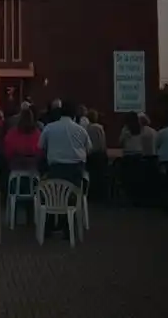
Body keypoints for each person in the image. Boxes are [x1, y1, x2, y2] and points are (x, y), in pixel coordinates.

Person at [38, 100, 91, 235]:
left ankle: (48, 225)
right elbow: (89, 148)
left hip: (55, 169)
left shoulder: (49, 128)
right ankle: (69, 227)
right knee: (72, 196)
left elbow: (40, 146)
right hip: (75, 170)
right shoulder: (80, 130)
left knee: (50, 195)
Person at [84, 109, 108, 202]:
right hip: (101, 154)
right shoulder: (100, 127)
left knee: (93, 176)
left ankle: (93, 195)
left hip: (92, 155)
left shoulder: (88, 128)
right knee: (101, 175)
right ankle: (101, 195)